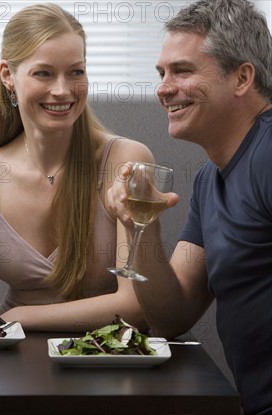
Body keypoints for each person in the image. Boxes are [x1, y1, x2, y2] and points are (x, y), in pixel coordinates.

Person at [106, 0, 272, 413]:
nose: (163, 88)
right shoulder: (209, 180)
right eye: (161, 74)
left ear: (242, 77)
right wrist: (138, 224)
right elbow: (172, 314)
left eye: (182, 70)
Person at [0, 3, 155, 332]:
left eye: (76, 72)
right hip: (14, 364)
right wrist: (6, 323)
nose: (62, 90)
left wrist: (19, 316)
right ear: (8, 75)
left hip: (105, 363)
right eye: (43, 73)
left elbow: (134, 305)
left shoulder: (126, 161)